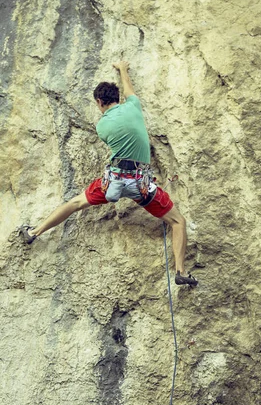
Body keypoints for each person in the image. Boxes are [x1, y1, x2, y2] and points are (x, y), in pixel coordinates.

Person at [21, 61, 198, 287]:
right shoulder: (133, 106)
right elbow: (130, 90)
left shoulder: (102, 126)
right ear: (118, 98)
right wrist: (124, 69)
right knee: (177, 221)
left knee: (75, 202)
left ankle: (34, 232)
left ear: (99, 102)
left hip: (114, 183)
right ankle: (181, 271)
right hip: (141, 185)